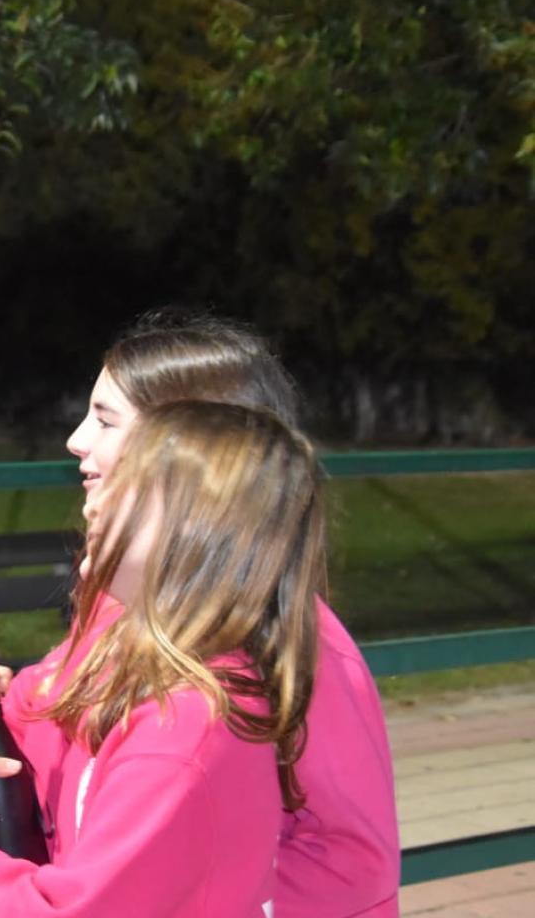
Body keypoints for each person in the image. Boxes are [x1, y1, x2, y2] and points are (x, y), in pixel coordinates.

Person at [0, 400, 324, 916]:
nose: (91, 506)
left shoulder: (183, 727)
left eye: (126, 491)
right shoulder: (111, 662)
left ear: (191, 533)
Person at [61, 313, 399, 917]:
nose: (76, 440)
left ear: (197, 445)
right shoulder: (123, 604)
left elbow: (351, 858)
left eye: (105, 419)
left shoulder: (299, 644)